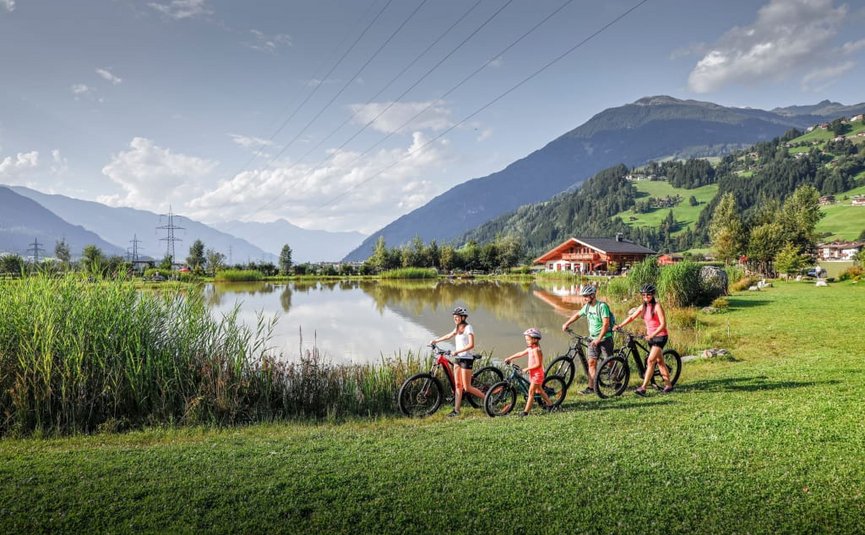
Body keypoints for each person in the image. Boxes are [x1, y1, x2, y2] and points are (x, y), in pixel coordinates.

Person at [614, 283, 673, 396]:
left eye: (648, 295)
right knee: (660, 362)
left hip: (660, 337)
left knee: (650, 361)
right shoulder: (643, 307)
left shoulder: (657, 306)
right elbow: (631, 317)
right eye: (644, 295)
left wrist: (652, 335)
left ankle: (643, 387)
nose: (646, 297)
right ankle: (669, 385)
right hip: (650, 337)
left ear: (653, 295)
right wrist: (620, 325)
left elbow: (663, 324)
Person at [430, 306, 486, 417]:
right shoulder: (457, 328)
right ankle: (456, 410)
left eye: (457, 317)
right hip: (458, 359)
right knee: (458, 385)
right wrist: (436, 340)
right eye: (454, 317)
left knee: (467, 387)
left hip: (466, 359)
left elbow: (471, 345)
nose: (455, 318)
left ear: (463, 317)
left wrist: (457, 351)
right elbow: (449, 335)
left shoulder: (468, 328)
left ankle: (488, 399)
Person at [561, 284, 614, 395]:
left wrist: (599, 339)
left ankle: (617, 380)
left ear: (593, 295)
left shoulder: (602, 306)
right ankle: (591, 387)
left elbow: (605, 324)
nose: (584, 298)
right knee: (591, 363)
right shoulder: (587, 307)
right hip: (592, 339)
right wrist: (567, 323)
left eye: (586, 296)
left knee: (609, 362)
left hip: (605, 338)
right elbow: (577, 315)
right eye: (583, 296)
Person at [504, 328, 554, 416]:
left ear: (535, 339)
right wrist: (509, 358)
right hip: (533, 374)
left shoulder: (536, 350)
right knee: (539, 391)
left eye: (528, 339)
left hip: (537, 375)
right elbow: (520, 353)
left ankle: (525, 412)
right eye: (526, 340)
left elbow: (538, 364)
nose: (526, 341)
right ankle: (550, 405)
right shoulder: (530, 348)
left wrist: (527, 369)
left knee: (531, 393)